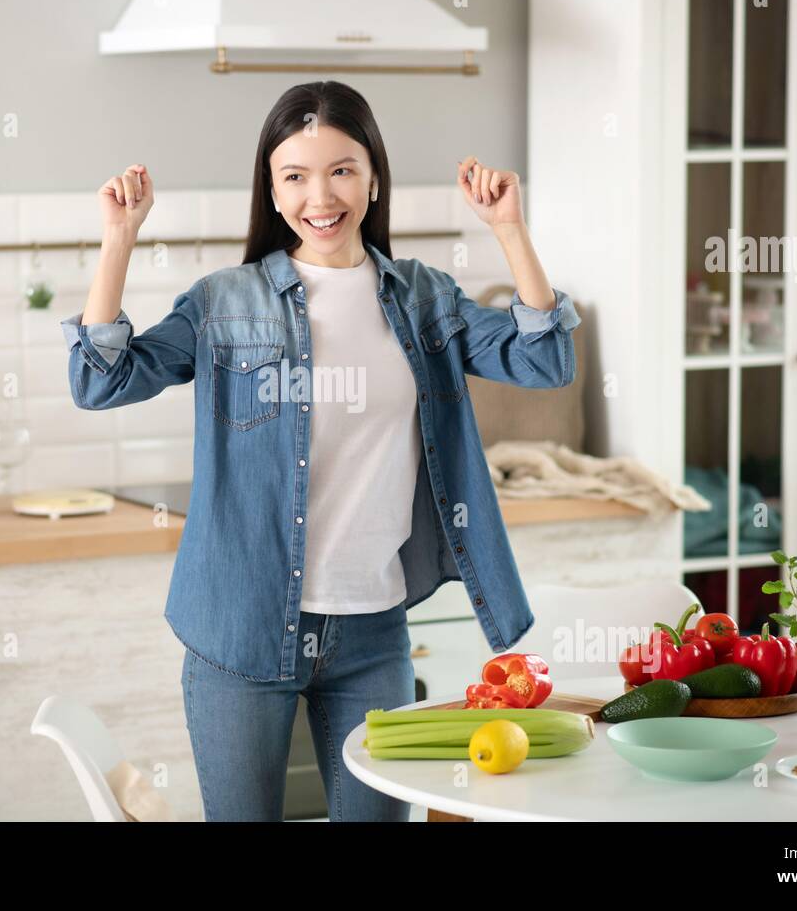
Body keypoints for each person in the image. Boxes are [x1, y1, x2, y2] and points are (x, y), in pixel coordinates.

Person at [61, 80, 581, 821]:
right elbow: (99, 380)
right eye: (295, 176)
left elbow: (543, 360)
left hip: (372, 633)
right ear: (272, 192)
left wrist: (509, 229)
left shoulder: (425, 298)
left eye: (342, 169)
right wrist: (119, 239)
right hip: (238, 630)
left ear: (373, 178)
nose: (321, 195)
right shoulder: (224, 302)